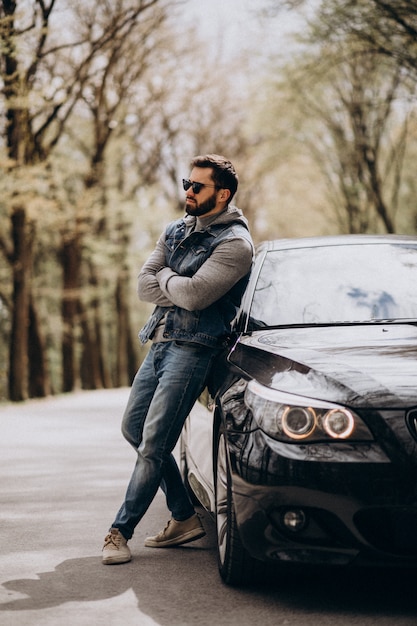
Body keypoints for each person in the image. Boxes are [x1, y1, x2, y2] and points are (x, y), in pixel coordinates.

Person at [102, 154, 253, 564]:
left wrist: (167, 278)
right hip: (161, 341)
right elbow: (142, 285)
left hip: (194, 350)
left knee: (154, 443)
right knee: (133, 429)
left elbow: (194, 295)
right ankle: (184, 516)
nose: (187, 191)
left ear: (221, 195)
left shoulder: (235, 244)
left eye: (197, 186)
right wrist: (177, 282)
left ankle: (120, 531)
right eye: (187, 183)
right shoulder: (176, 229)